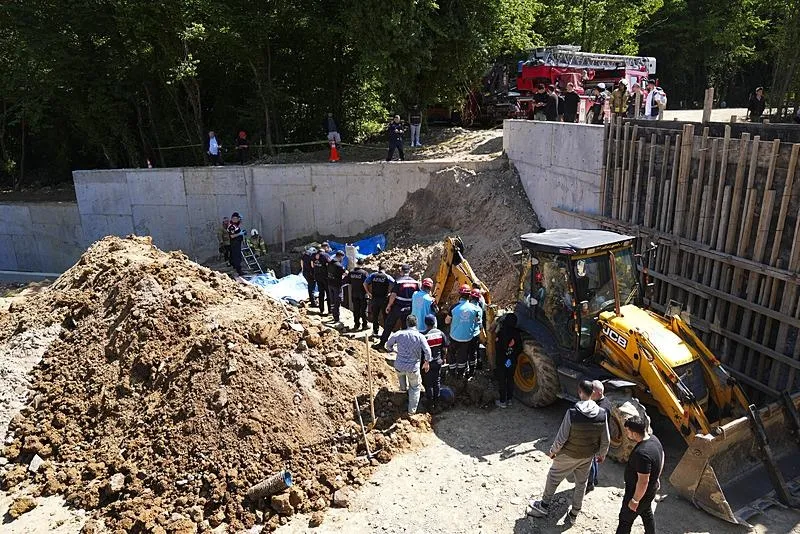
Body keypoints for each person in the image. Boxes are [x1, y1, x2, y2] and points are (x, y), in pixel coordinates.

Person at [527, 380, 610, 522]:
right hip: (587, 456)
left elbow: (562, 437)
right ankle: (574, 514)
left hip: (568, 454)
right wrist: (602, 454)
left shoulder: (572, 413)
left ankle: (543, 506)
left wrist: (553, 451)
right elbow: (606, 439)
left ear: (580, 392)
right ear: (592, 393)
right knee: (581, 484)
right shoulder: (602, 414)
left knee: (553, 478)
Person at [615, 416, 664, 534]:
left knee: (625, 520)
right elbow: (662, 455)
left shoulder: (642, 454)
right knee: (646, 513)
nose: (626, 434)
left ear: (633, 433)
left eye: (627, 431)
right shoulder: (654, 439)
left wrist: (635, 500)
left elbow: (643, 481)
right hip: (650, 491)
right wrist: (657, 476)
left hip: (638, 493)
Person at [385, 315, 432, 415]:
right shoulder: (420, 336)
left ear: (406, 323)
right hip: (413, 368)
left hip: (399, 366)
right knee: (415, 388)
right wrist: (427, 362)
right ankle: (411, 411)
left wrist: (392, 350)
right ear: (416, 324)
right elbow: (427, 351)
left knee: (402, 384)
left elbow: (388, 344)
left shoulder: (399, 334)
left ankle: (403, 397)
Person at [374, 264, 419, 349]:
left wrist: (389, 305)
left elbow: (393, 295)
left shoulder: (399, 281)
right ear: (409, 272)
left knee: (389, 325)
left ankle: (381, 344)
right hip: (409, 308)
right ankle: (405, 347)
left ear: (401, 272)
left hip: (397, 307)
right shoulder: (415, 282)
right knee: (406, 328)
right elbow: (417, 295)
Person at [447, 285, 482, 378]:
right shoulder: (475, 309)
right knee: (463, 356)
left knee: (451, 354)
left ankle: (451, 371)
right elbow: (478, 322)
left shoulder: (454, 307)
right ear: (469, 295)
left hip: (454, 336)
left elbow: (447, 321)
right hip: (467, 337)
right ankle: (460, 373)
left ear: (460, 294)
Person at [587, 380, 614, 492]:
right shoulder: (606, 402)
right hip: (598, 437)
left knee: (590, 462)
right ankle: (595, 479)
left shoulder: (600, 409)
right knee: (594, 460)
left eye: (591, 392)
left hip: (595, 438)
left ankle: (590, 483)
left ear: (597, 393)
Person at [495, 313, 522, 408]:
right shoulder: (517, 333)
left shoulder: (501, 332)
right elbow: (520, 348)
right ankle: (510, 399)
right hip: (512, 361)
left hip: (502, 360)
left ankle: (503, 401)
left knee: (502, 380)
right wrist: (512, 354)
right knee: (510, 379)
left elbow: (498, 348)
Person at [422, 314, 448, 412]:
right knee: (436, 382)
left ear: (426, 323)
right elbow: (445, 348)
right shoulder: (441, 333)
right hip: (438, 362)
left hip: (427, 363)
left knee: (428, 384)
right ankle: (437, 403)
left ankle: (430, 404)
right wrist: (444, 358)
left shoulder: (424, 336)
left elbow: (422, 351)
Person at [365, 264, 394, 338]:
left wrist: (368, 293)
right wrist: (390, 293)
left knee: (375, 316)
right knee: (385, 317)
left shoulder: (373, 275)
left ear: (379, 269)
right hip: (384, 299)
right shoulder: (387, 276)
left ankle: (375, 332)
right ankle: (385, 333)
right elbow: (395, 284)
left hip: (374, 299)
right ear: (385, 269)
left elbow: (364, 283)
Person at [346, 258, 370, 331]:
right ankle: (364, 325)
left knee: (356, 310)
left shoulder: (351, 272)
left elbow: (349, 282)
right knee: (363, 310)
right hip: (363, 294)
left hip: (354, 293)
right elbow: (367, 283)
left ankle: (356, 325)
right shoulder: (364, 273)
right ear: (363, 264)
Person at [466, 288, 484, 377]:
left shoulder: (469, 307)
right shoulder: (479, 308)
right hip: (476, 333)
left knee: (466, 352)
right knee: (474, 352)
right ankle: (473, 369)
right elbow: (479, 322)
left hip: (468, 333)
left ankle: (467, 369)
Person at [327, 250, 346, 324]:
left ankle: (333, 315)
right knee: (337, 301)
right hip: (337, 285)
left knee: (332, 300)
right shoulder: (339, 266)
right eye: (342, 258)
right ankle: (336, 318)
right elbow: (345, 273)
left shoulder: (329, 263)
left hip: (330, 284)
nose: (342, 259)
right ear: (340, 256)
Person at [312, 245, 331, 315]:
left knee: (321, 293)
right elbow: (330, 265)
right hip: (325, 277)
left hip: (317, 276)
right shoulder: (326, 255)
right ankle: (330, 310)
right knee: (328, 294)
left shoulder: (314, 255)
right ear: (325, 248)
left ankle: (321, 309)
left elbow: (312, 265)